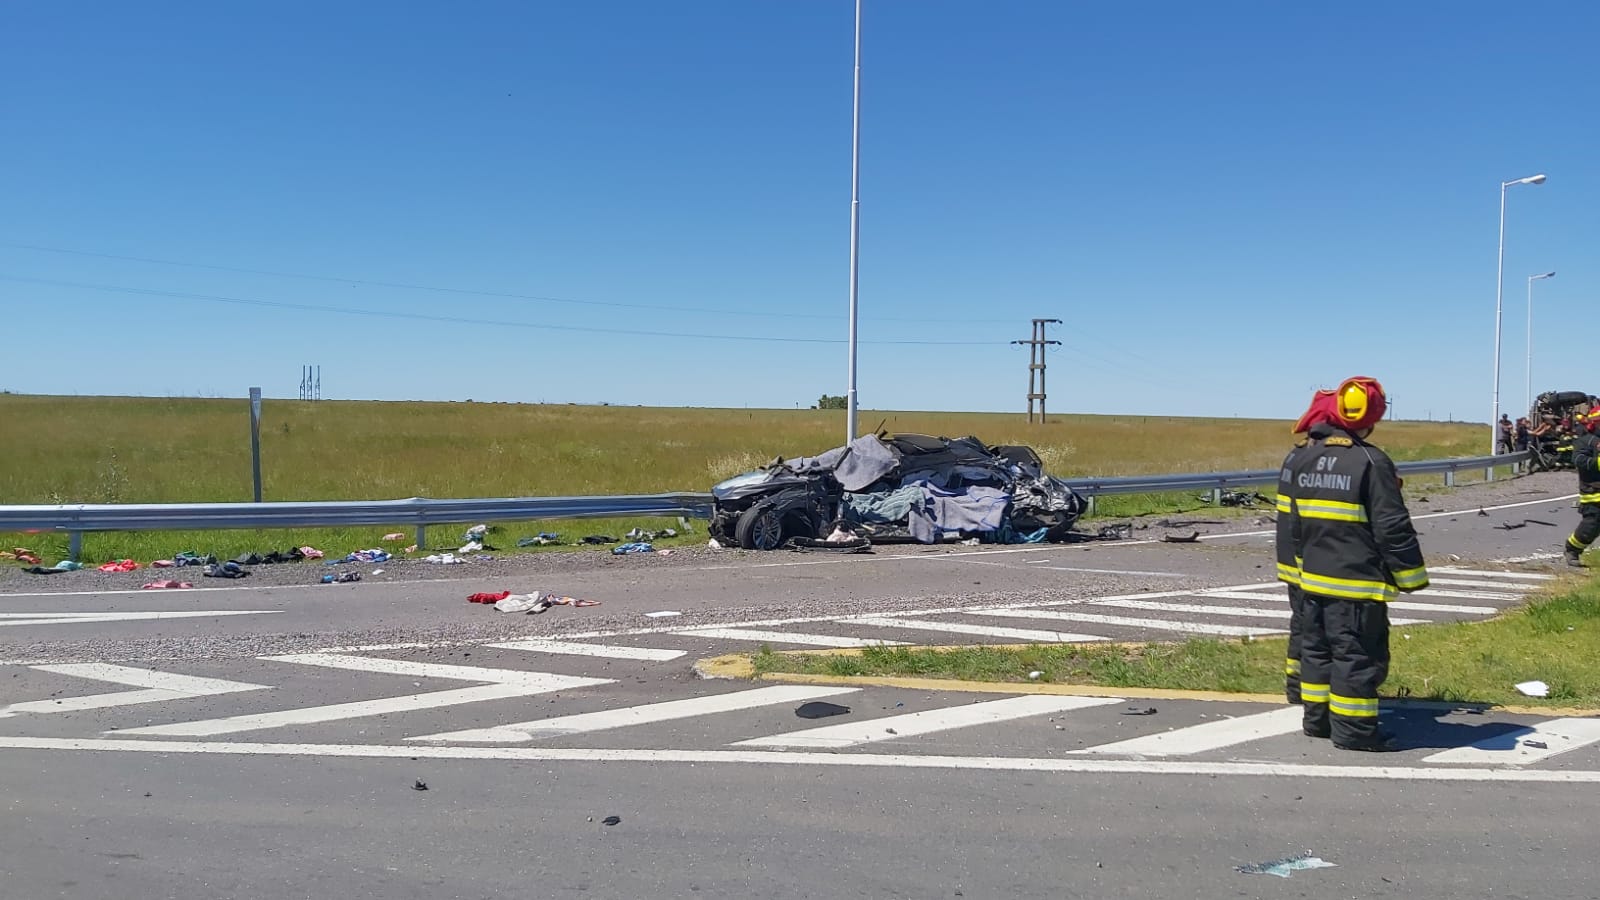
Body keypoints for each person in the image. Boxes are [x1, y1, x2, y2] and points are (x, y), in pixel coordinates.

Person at [1280, 376, 1429, 751]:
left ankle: (1317, 722)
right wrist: (1411, 576)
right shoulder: (1370, 460)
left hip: (1312, 581)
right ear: (1372, 418)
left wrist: (1297, 574)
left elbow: (1292, 524)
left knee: (1317, 651)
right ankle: (1355, 732)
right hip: (1356, 585)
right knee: (1356, 656)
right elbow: (1392, 526)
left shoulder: (1303, 457)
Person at [1276, 388, 1337, 705]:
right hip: (1310, 559)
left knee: (1300, 622)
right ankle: (1308, 690)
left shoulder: (1295, 456)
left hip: (1291, 558)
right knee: (1315, 628)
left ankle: (1296, 685)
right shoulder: (1317, 462)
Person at [1563, 405, 1600, 568]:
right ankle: (1572, 549)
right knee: (1591, 526)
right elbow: (1577, 459)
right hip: (1593, 492)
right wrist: (1597, 463)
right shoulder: (1585, 441)